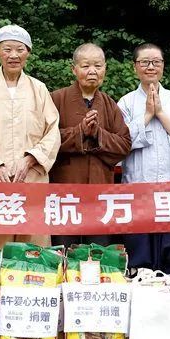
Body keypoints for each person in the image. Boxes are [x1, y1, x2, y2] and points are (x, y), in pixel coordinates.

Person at [0, 25, 61, 248]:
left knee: (33, 243)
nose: (14, 55)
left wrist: (30, 160)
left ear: (28, 52)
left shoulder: (39, 88)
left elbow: (53, 132)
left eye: (20, 49)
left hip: (32, 178)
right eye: (7, 49)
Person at [117, 43, 170, 274]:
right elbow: (122, 141)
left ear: (163, 66)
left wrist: (160, 112)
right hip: (138, 183)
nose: (151, 67)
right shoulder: (126, 102)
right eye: (144, 62)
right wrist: (147, 116)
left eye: (156, 62)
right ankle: (138, 272)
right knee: (140, 242)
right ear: (135, 67)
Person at [49, 43, 131, 247]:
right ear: (74, 69)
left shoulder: (109, 104)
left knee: (98, 248)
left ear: (105, 69)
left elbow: (124, 144)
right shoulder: (56, 99)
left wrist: (97, 134)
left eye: (98, 66)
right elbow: (44, 140)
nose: (92, 71)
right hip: (65, 188)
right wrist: (79, 132)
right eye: (86, 66)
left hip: (100, 188)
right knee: (64, 246)